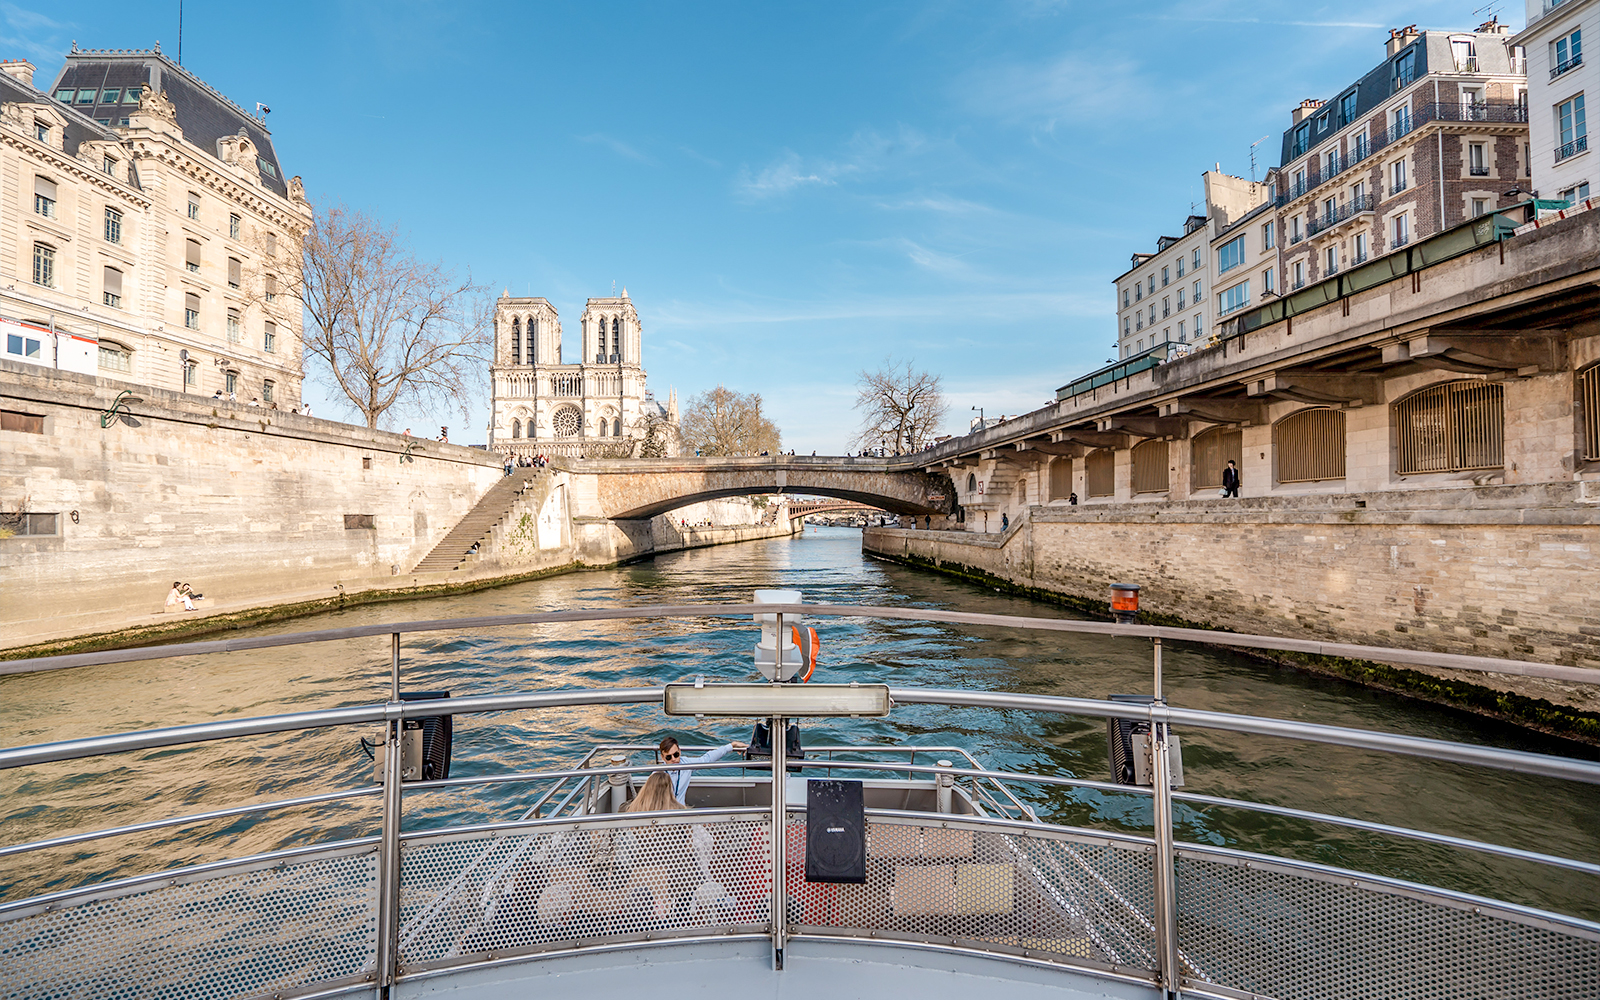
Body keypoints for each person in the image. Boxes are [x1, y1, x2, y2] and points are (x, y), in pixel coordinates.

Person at [661, 735, 747, 805]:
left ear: (680, 752)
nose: (673, 759)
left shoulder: (686, 763)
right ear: (663, 758)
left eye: (676, 754)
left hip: (681, 811)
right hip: (664, 814)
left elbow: (707, 759)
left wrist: (731, 746)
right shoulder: (657, 774)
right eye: (668, 757)